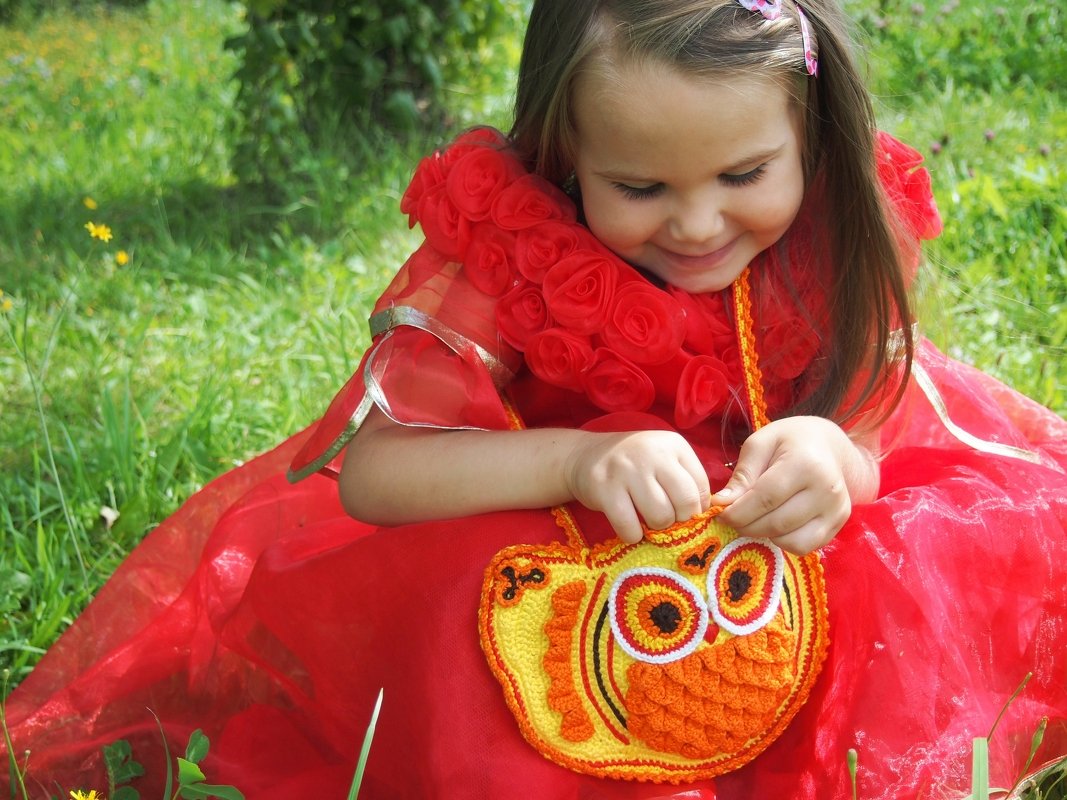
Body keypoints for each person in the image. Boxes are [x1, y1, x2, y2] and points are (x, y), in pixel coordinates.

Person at [3, 1, 1066, 798]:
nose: (696, 225)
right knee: (482, 626)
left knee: (900, 554)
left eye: (744, 173)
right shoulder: (516, 258)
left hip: (756, 537)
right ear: (564, 156)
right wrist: (571, 460)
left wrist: (835, 455)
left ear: (810, 137)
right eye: (639, 188)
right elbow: (375, 471)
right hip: (557, 548)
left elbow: (883, 410)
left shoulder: (832, 232)